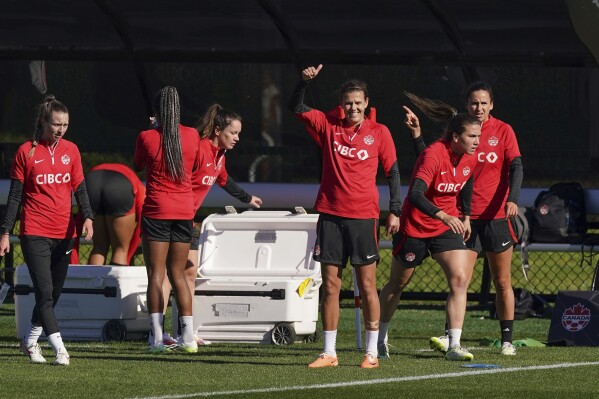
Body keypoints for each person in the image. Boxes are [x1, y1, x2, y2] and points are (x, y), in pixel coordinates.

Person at [288, 64, 402, 369]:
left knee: (366, 287)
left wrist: (395, 210)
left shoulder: (380, 132)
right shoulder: (328, 126)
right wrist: (303, 82)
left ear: (366, 103)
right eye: (348, 102)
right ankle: (329, 352)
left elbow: (392, 171)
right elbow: (296, 107)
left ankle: (372, 353)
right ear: (342, 104)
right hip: (330, 215)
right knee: (330, 285)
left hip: (364, 217)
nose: (353, 107)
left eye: (358, 102)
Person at [404, 82, 523, 356]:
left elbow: (516, 165)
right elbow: (431, 160)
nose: (479, 108)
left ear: (492, 105)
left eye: (484, 103)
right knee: (460, 281)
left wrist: (512, 198)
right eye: (474, 103)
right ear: (467, 105)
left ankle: (507, 340)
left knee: (502, 281)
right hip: (464, 219)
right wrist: (417, 135)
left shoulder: (503, 131)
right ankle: (451, 338)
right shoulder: (459, 132)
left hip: (495, 217)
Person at [377, 92, 481, 361]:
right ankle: (379, 337)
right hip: (416, 226)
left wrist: (465, 215)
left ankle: (454, 345)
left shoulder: (470, 157)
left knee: (460, 280)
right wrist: (444, 216)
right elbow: (416, 194)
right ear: (456, 137)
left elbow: (466, 182)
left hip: (445, 227)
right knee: (396, 285)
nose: (477, 142)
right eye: (472, 137)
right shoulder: (434, 154)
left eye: (479, 137)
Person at [0, 95, 94, 366]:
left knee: (53, 294)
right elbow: (15, 197)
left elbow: (80, 187)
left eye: (65, 124)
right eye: (55, 124)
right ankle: (60, 349)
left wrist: (87, 216)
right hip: (35, 232)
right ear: (43, 122)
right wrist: (5, 232)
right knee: (44, 293)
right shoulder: (25, 152)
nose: (60, 129)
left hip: (65, 234)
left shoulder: (72, 151)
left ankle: (29, 341)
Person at [159, 103, 263, 346]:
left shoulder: (220, 157)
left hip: (189, 220)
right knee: (166, 275)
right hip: (173, 218)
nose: (237, 138)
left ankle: (186, 331)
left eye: (238, 134)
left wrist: (247, 198)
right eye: (233, 133)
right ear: (218, 131)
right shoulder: (199, 148)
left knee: (190, 271)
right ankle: (158, 332)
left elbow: (224, 181)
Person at [133, 86, 200, 353]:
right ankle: (189, 338)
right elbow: (193, 167)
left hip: (157, 211)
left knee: (156, 274)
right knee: (178, 274)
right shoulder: (193, 135)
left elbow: (138, 163)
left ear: (157, 111)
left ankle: (158, 338)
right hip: (184, 211)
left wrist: (153, 128)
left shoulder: (147, 136)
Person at [84, 163, 146, 266]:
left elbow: (76, 225)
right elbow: (143, 223)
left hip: (91, 180)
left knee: (99, 247)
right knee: (120, 250)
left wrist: (73, 259)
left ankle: (90, 282)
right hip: (120, 184)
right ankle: (114, 281)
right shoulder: (140, 187)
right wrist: (128, 255)